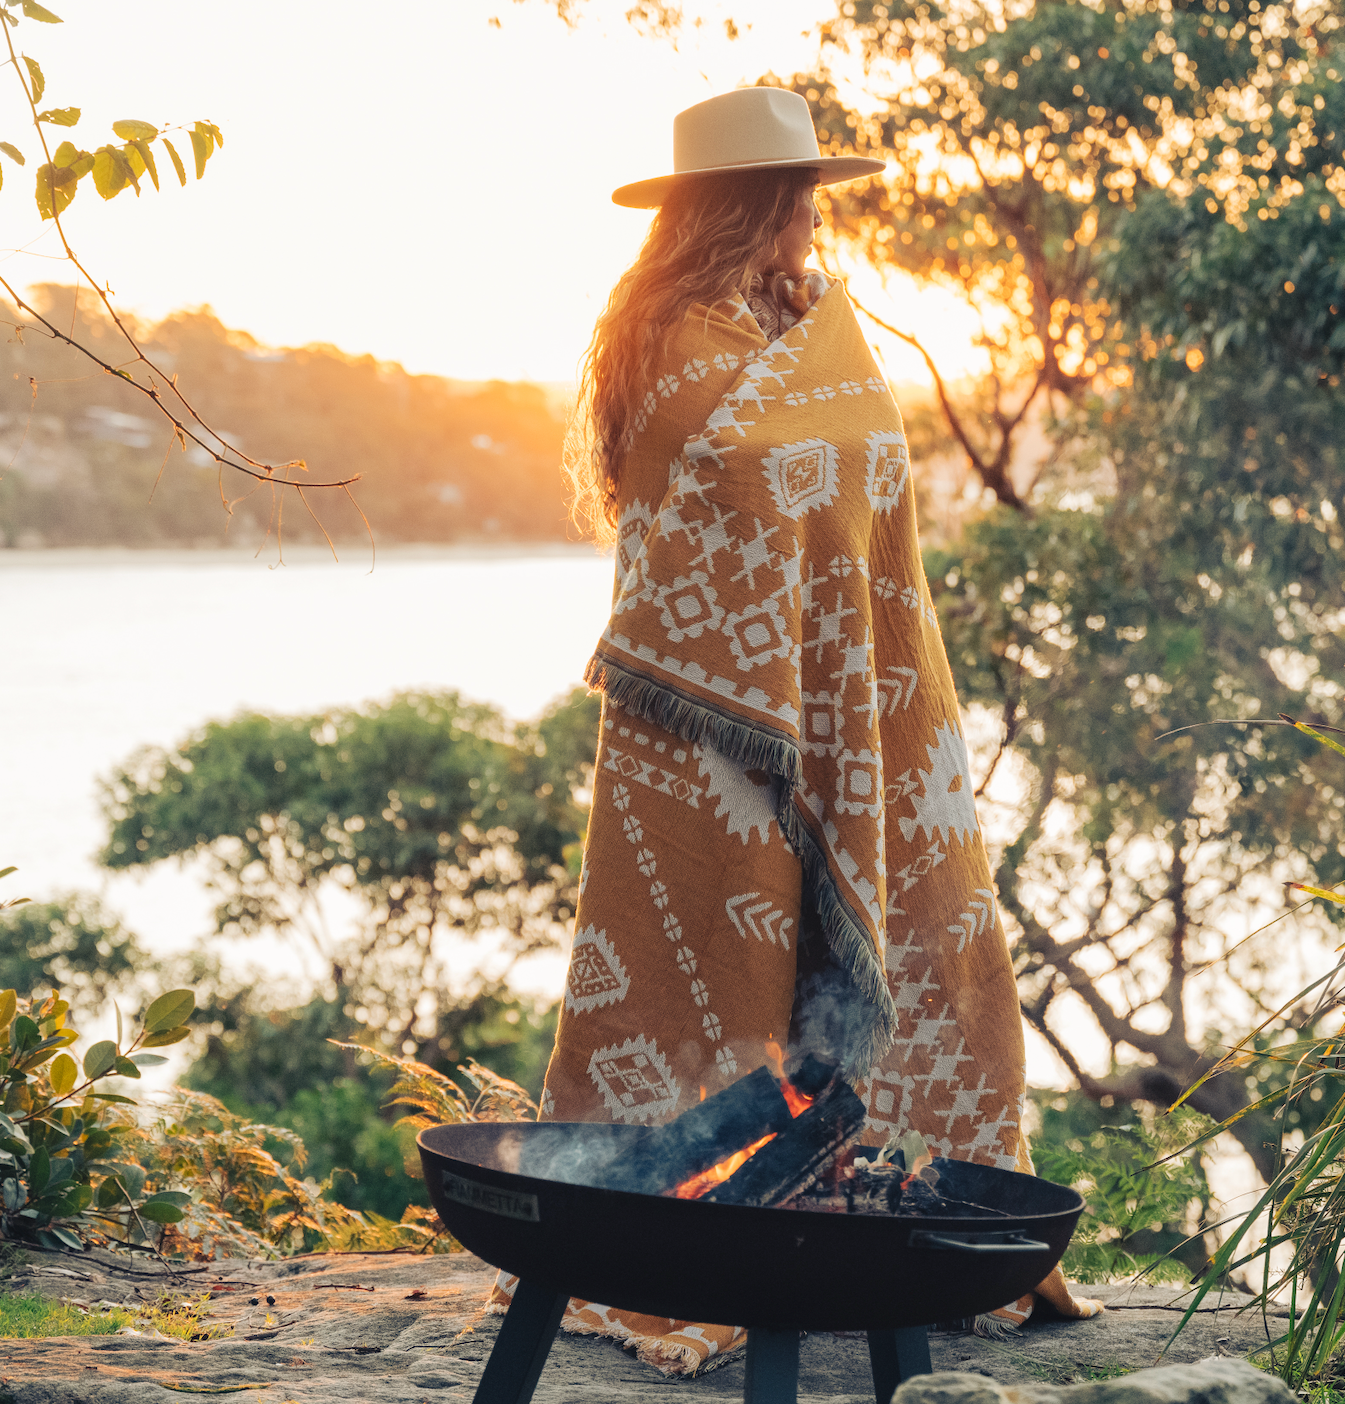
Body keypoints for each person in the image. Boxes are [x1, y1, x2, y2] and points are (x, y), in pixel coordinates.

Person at [541, 86, 1100, 1342]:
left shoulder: (804, 335)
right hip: (708, 735)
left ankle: (894, 1226)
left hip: (870, 706)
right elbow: (723, 511)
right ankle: (691, 1249)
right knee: (711, 984)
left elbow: (856, 507)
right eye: (795, 200)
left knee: (934, 944)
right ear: (761, 204)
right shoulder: (668, 345)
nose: (807, 223)